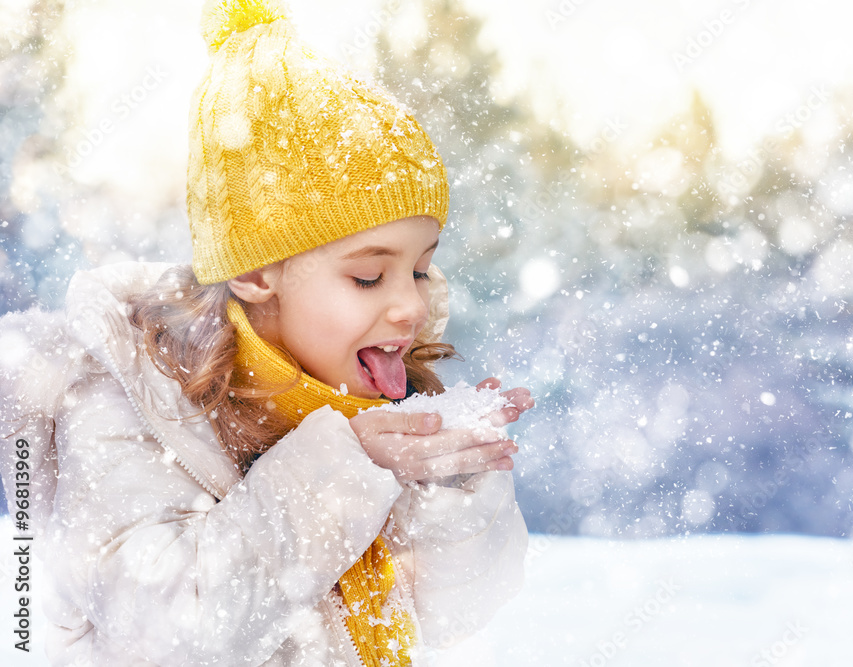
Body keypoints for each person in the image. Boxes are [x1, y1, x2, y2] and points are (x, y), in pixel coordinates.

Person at [0, 0, 532, 664]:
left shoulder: (361, 394)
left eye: (421, 271)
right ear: (257, 274)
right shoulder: (125, 404)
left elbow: (456, 612)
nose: (409, 308)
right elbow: (171, 633)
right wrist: (343, 468)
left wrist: (448, 483)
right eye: (369, 277)